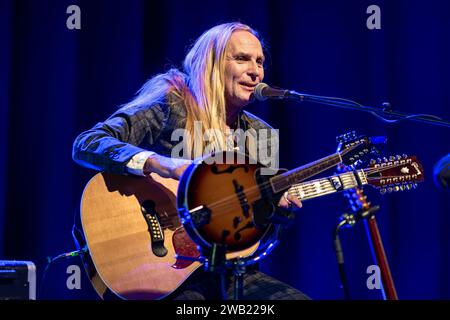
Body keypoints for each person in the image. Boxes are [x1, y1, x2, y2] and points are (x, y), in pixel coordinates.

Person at [73, 22, 309, 300]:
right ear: (211, 64)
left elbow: (256, 241)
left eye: (260, 62)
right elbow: (87, 143)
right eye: (242, 58)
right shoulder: (172, 102)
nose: (256, 71)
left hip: (231, 273)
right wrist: (161, 164)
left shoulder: (263, 136)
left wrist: (275, 215)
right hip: (163, 268)